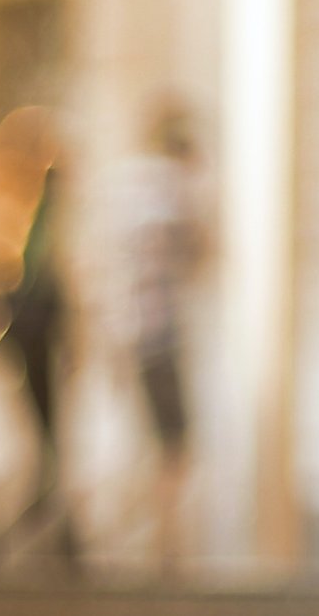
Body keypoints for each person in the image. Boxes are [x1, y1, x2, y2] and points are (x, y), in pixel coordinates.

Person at [0, 105, 75, 563]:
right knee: (40, 437)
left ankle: (63, 535)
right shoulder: (6, 202)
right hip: (24, 330)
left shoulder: (43, 202)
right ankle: (27, 533)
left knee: (50, 437)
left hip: (43, 330)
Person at [111, 96, 208, 567]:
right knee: (174, 444)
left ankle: (154, 540)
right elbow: (199, 249)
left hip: (129, 333)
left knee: (155, 441)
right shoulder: (169, 189)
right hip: (159, 335)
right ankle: (164, 547)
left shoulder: (128, 187)